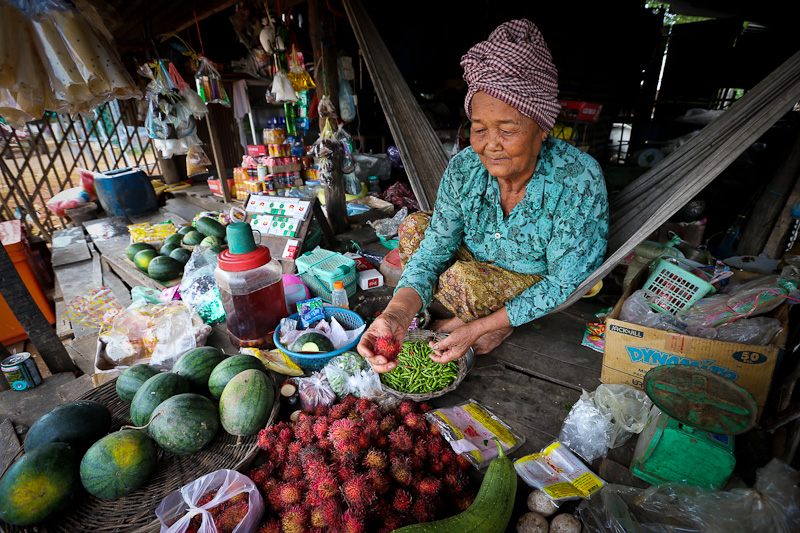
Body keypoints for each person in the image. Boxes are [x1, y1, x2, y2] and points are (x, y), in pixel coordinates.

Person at [357, 19, 609, 373]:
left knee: (462, 281)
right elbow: (434, 250)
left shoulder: (577, 178)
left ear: (542, 127)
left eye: (507, 129)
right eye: (479, 129)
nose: (490, 144)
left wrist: (480, 328)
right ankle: (471, 320)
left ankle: (496, 327)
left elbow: (566, 281)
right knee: (415, 228)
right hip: (477, 262)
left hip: (532, 280)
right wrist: (396, 315)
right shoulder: (464, 167)